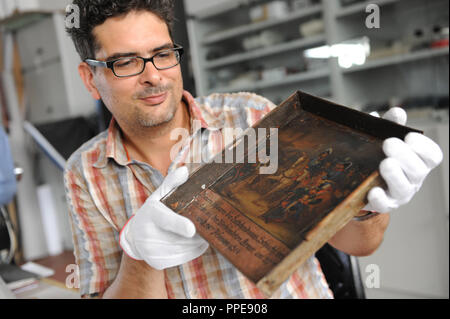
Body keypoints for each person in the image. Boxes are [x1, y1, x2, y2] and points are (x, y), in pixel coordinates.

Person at [64, 0, 443, 299]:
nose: (153, 75)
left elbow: (359, 245)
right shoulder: (86, 172)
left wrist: (370, 203)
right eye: (126, 62)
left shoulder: (250, 118)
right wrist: (140, 257)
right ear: (90, 78)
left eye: (163, 53)